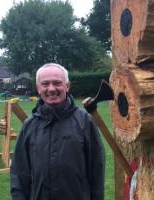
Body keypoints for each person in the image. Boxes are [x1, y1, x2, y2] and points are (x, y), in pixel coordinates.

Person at [10, 63, 105, 200]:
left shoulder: (85, 121)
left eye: (57, 83)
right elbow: (19, 173)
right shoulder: (29, 125)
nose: (51, 89)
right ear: (38, 88)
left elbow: (96, 171)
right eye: (45, 84)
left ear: (67, 86)